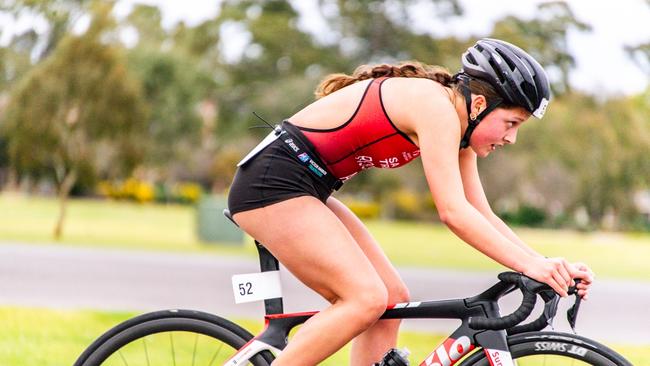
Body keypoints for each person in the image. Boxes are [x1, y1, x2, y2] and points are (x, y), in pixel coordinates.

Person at [227, 38, 595, 366]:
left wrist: (544, 264)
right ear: (480, 103)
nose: (512, 138)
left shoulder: (462, 123)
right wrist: (533, 266)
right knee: (365, 299)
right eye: (511, 123)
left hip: (307, 186)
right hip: (271, 185)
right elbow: (453, 213)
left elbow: (479, 213)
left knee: (391, 299)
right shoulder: (435, 108)